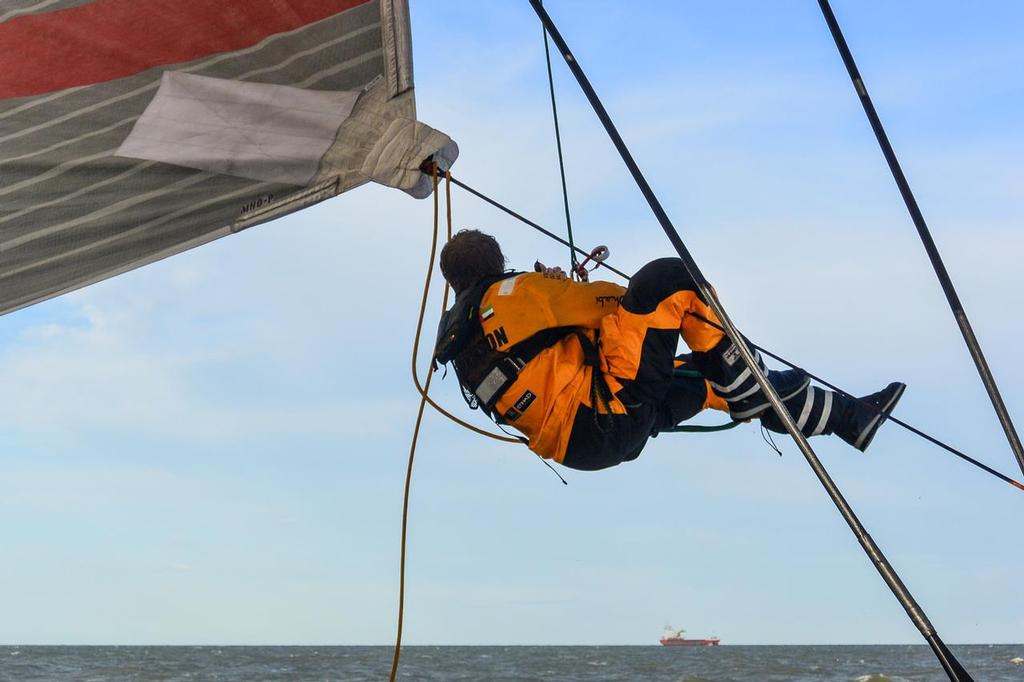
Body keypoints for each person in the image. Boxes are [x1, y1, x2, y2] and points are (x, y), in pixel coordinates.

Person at [433, 229, 905, 471]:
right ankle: (746, 387)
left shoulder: (461, 342)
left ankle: (848, 419)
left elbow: (548, 373)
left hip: (584, 445)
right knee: (668, 280)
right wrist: (567, 289)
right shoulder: (516, 294)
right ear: (499, 264)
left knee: (707, 379)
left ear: (454, 284)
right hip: (608, 411)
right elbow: (621, 304)